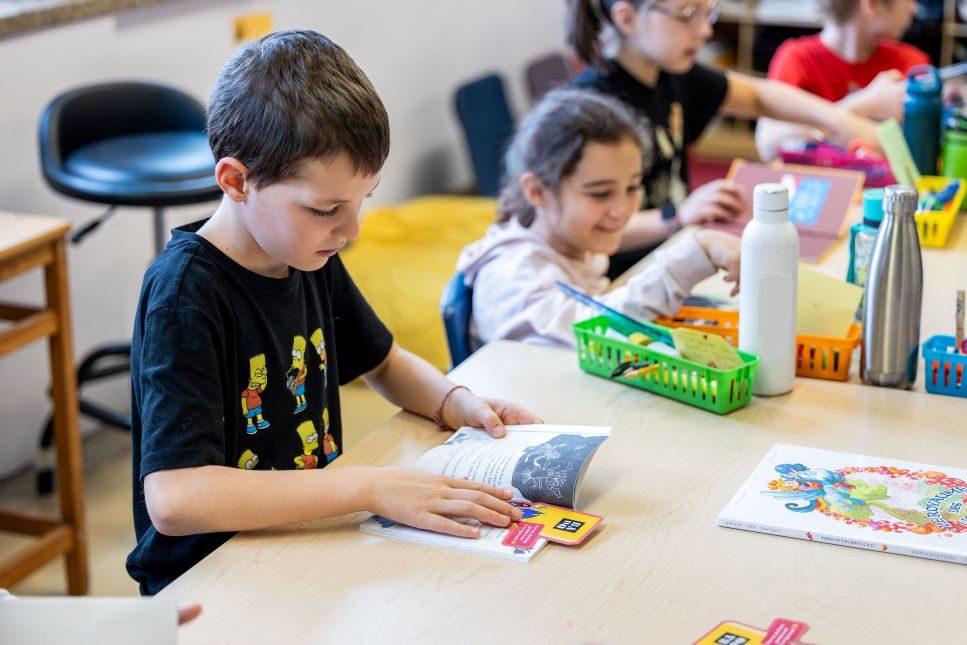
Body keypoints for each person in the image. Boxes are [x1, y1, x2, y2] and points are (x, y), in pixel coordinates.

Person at [126, 30, 540, 596]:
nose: (351, 230)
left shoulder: (307, 253)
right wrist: (368, 488)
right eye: (325, 208)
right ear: (236, 180)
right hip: (212, 581)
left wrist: (455, 401)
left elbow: (384, 361)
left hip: (305, 542)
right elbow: (177, 500)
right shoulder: (185, 295)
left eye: (363, 200)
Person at [568, 0, 879, 277]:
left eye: (708, 12)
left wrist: (846, 122)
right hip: (623, 278)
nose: (704, 31)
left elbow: (759, 96)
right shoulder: (592, 109)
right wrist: (677, 216)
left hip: (677, 257)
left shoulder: (671, 74)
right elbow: (586, 228)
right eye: (687, 14)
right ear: (627, 19)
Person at [456, 89, 740, 348]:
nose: (621, 210)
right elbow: (593, 333)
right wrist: (695, 253)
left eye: (631, 187)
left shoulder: (572, 247)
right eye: (600, 193)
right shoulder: (513, 277)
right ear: (536, 191)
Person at [757, 0, 928, 159]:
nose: (914, 8)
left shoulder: (911, 62)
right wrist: (864, 105)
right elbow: (768, 145)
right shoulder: (797, 60)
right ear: (871, 5)